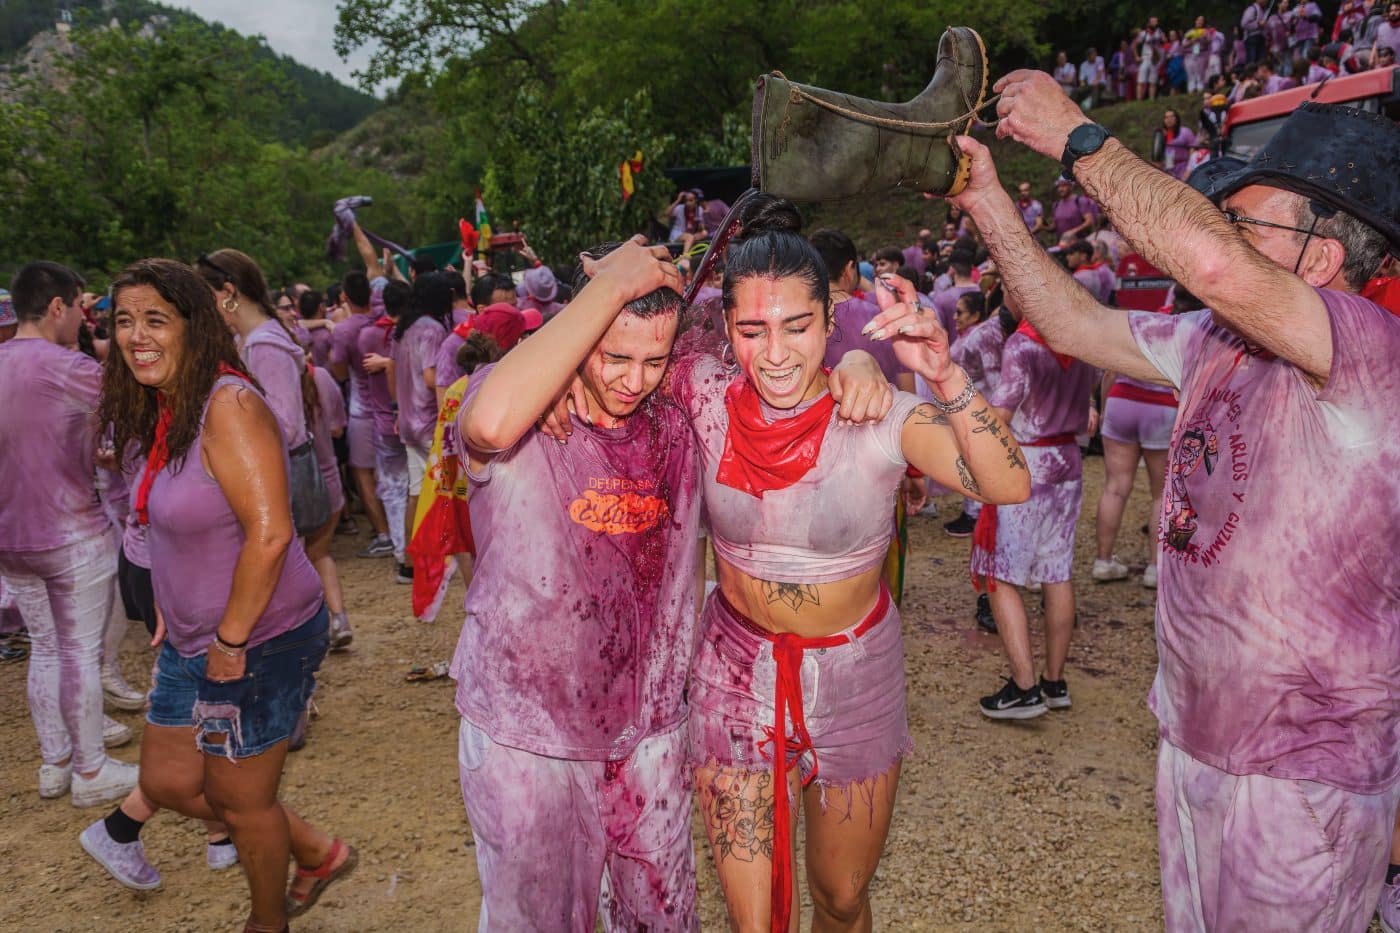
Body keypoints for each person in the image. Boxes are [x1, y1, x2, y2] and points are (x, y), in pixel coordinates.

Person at [972, 67, 1400, 932]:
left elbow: (1208, 260)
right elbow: (1067, 322)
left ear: (1321, 255)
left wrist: (1079, 140)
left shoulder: (1368, 348)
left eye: (1247, 219)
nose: (1225, 231)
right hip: (1191, 738)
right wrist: (984, 196)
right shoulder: (1216, 340)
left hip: (1304, 772)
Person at [674, 195, 1028, 932]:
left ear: (829, 321)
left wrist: (942, 370)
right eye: (752, 329)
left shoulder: (874, 416)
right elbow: (610, 367)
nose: (775, 351)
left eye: (797, 326)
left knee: (840, 896)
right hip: (734, 673)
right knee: (757, 919)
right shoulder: (703, 398)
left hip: (854, 676)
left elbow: (1007, 482)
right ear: (725, 330)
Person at [95, 258, 356, 930]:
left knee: (241, 801)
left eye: (155, 318)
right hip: (193, 638)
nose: (136, 335)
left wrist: (230, 639)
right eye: (123, 321)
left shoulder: (228, 404)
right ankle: (317, 850)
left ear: (194, 325)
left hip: (258, 638)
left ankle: (266, 921)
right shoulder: (166, 407)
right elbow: (176, 523)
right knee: (172, 780)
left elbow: (270, 535)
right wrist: (170, 604)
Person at [0, 261, 139, 807]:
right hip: (70, 530)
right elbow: (129, 415)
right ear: (57, 306)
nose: (84, 317)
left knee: (46, 648)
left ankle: (55, 763)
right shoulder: (71, 368)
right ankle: (90, 769)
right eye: (81, 306)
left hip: (11, 535)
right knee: (79, 651)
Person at [1091, 291, 1199, 590]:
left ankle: (1103, 560)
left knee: (1114, 487)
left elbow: (1112, 369)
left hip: (1121, 402)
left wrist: (1103, 409)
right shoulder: (1197, 327)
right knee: (1159, 494)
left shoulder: (1147, 318)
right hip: (1162, 409)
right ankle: (1154, 567)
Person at [393, 273, 451, 595]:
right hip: (429, 420)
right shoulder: (432, 329)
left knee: (416, 491)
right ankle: (440, 558)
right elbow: (432, 378)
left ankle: (408, 563)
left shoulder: (404, 327)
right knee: (444, 489)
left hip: (408, 420)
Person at [329, 269, 394, 559]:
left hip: (362, 410)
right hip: (392, 403)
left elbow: (339, 372)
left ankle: (384, 534)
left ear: (344, 296)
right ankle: (401, 527)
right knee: (395, 471)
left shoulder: (343, 330)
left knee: (363, 474)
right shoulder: (384, 316)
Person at [360, 280, 413, 583]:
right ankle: (416, 550)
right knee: (415, 488)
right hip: (413, 420)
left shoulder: (365, 335)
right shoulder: (416, 333)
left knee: (395, 491)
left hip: (383, 420)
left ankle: (400, 550)